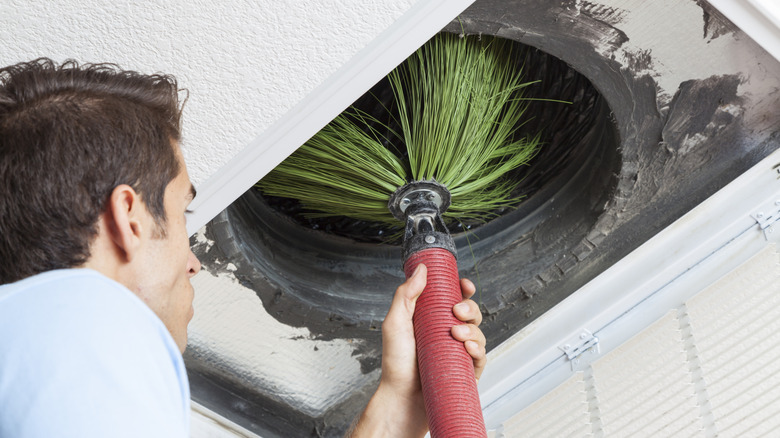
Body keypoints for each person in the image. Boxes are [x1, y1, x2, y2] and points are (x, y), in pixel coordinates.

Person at [0, 58, 487, 437]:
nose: (194, 263)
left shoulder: (35, 353)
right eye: (179, 215)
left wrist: (401, 403)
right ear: (129, 218)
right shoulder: (90, 326)